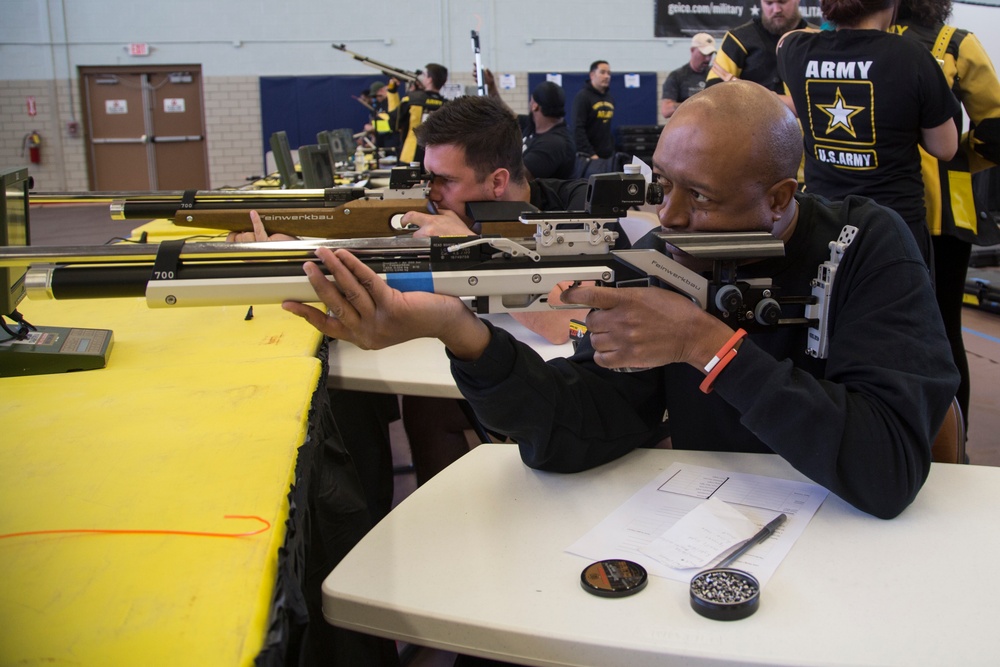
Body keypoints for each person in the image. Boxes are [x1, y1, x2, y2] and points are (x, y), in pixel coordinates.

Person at [282, 80, 960, 520]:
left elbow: (888, 468)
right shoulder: (665, 255)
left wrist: (708, 346)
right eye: (663, 185)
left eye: (700, 197)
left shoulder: (868, 246)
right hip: (715, 527)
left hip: (856, 545)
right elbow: (579, 429)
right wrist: (462, 333)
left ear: (779, 199)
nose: (670, 215)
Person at [776, 0, 961, 265]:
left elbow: (786, 38)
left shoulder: (796, 51)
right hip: (892, 227)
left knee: (826, 304)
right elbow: (945, 148)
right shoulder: (912, 55)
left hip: (823, 222)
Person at [892, 0, 1000, 429]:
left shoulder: (855, 42)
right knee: (943, 328)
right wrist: (955, 163)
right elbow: (995, 132)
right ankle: (953, 444)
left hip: (871, 209)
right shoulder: (956, 44)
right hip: (944, 215)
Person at [481, 69, 576, 180]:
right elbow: (506, 114)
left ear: (535, 106)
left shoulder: (554, 144)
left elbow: (519, 180)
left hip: (538, 197)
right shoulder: (533, 125)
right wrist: (491, 86)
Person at [706, 0, 812, 93]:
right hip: (748, 115)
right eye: (769, 3)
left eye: (782, 2)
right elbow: (712, 95)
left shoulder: (815, 38)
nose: (776, 9)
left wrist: (738, 84)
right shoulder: (737, 39)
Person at [390, 63, 448, 164]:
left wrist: (392, 92)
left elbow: (393, 122)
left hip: (411, 156)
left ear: (429, 80)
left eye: (424, 75)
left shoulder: (412, 100)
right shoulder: (447, 105)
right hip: (436, 160)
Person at [661, 32, 717, 119]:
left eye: (710, 54)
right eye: (704, 54)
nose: (708, 59)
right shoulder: (677, 76)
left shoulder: (715, 75)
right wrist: (697, 104)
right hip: (686, 127)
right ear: (692, 50)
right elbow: (666, 110)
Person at [572, 60, 615, 160]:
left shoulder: (610, 98)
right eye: (602, 72)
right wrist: (590, 154)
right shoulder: (583, 97)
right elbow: (578, 129)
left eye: (609, 73)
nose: (607, 76)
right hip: (589, 156)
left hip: (607, 156)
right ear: (592, 75)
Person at [365, 80, 400, 154]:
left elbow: (392, 123)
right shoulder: (379, 105)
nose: (377, 98)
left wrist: (374, 128)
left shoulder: (391, 104)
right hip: (382, 144)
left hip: (392, 143)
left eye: (378, 96)